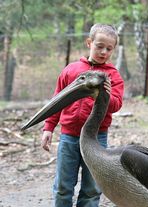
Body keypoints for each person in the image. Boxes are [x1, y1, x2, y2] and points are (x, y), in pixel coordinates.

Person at [41, 23, 124, 207]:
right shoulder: (71, 70)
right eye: (99, 46)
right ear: (89, 43)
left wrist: (105, 96)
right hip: (68, 137)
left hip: (96, 138)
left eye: (109, 49)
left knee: (92, 189)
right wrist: (48, 128)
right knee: (63, 187)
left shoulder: (113, 76)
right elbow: (57, 100)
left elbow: (116, 105)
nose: (104, 52)